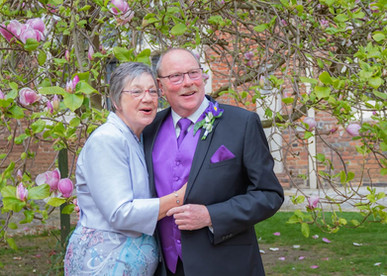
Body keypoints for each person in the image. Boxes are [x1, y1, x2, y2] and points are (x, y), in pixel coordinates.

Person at [142, 48, 284, 276]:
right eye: (176, 76)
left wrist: (211, 216)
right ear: (160, 87)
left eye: (193, 73)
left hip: (225, 264)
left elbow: (269, 194)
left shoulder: (242, 123)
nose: (188, 82)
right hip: (164, 266)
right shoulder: (148, 129)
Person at [64, 62, 186, 276]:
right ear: (115, 100)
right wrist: (179, 198)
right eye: (136, 91)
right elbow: (121, 213)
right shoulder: (107, 140)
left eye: (152, 91)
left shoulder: (138, 137)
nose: (147, 98)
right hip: (102, 264)